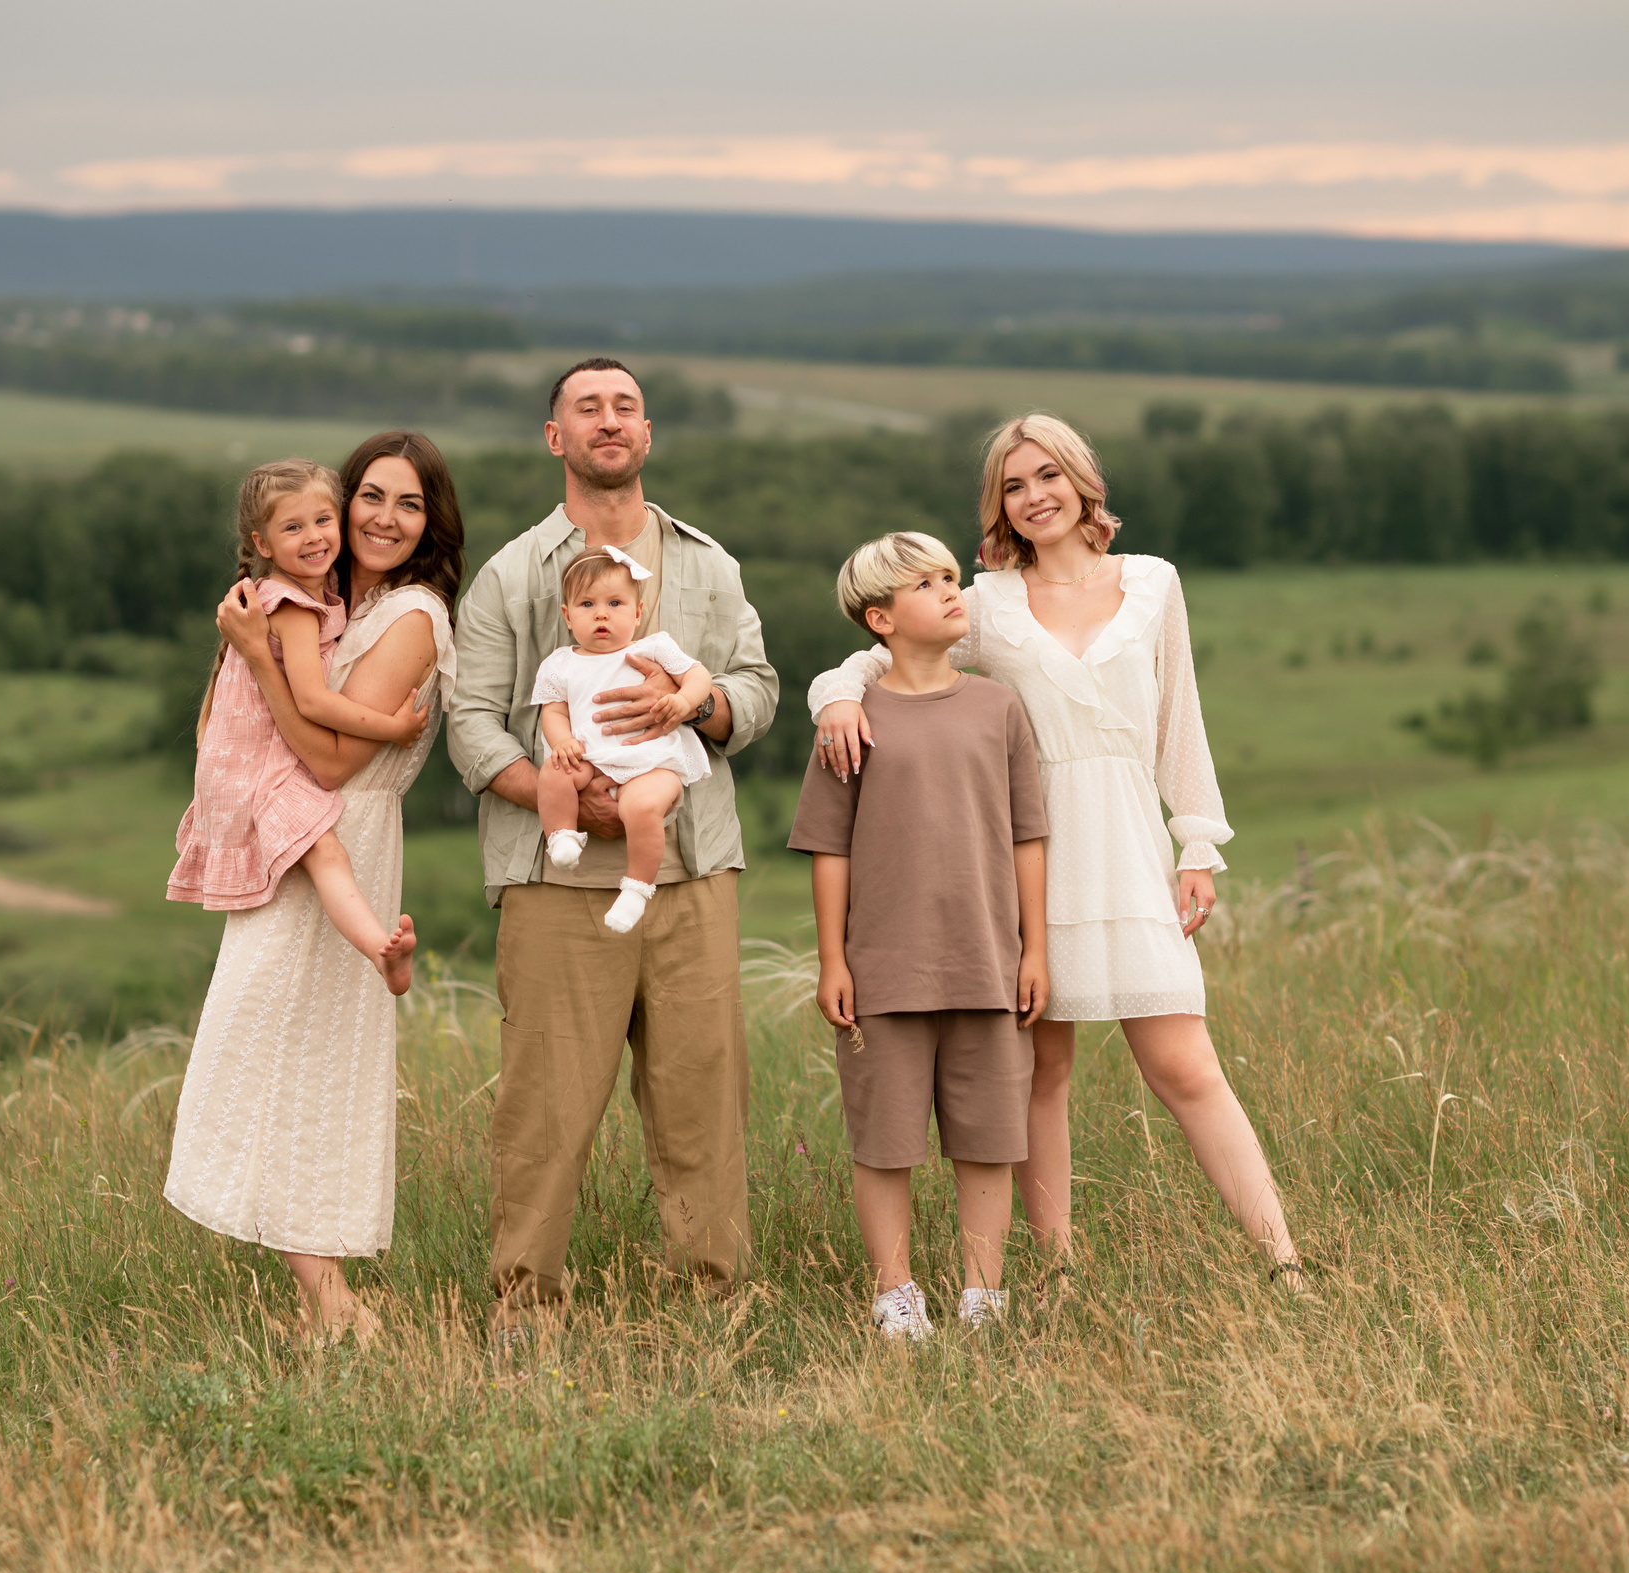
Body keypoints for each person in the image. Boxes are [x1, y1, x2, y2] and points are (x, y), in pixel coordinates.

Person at [808, 414, 1306, 1288]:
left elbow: (1179, 718)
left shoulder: (1152, 583)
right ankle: (1053, 1271)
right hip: (1024, 854)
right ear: (997, 503)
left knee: (1186, 1064)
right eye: (1012, 484)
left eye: (1047, 476)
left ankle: (1284, 1259)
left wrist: (1197, 842)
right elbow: (882, 654)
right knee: (1042, 1069)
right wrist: (835, 699)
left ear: (1083, 481)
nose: (1033, 496)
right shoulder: (989, 604)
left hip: (1129, 840)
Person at [448, 357, 779, 1327]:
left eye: (625, 407)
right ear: (555, 438)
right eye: (585, 408)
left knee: (700, 1094)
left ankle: (707, 1301)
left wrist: (702, 700)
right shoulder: (514, 574)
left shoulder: (709, 566)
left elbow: (756, 688)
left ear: (646, 433)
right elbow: (470, 722)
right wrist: (559, 797)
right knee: (546, 1104)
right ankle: (525, 1310)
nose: (608, 421)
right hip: (556, 881)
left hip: (692, 868)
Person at [167, 434, 461, 1340]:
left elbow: (332, 760)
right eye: (368, 496)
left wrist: (256, 656)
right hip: (290, 835)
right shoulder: (326, 601)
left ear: (431, 523)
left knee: (303, 1066)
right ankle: (325, 1302)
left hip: (340, 830)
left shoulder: (410, 614)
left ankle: (338, 1306)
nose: (380, 518)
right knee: (263, 1058)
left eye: (407, 504)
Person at [790, 532, 1049, 1339]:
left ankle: (984, 1298)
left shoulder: (997, 706)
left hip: (988, 961)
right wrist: (833, 960)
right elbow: (829, 847)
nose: (950, 591)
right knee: (886, 1140)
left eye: (949, 576)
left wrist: (1034, 948)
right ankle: (896, 1298)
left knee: (988, 1136)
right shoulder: (849, 718)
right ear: (879, 618)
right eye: (925, 584)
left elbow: (1027, 835)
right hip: (884, 968)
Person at [168, 460, 422, 995]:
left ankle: (379, 951)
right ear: (262, 543)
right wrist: (390, 727)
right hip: (261, 769)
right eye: (292, 528)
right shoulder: (293, 607)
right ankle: (381, 950)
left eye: (323, 520)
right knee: (327, 854)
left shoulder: (296, 593)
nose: (314, 538)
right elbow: (311, 700)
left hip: (244, 764)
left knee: (324, 856)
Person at [531, 547, 716, 932]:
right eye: (587, 604)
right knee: (554, 772)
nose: (601, 613)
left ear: (637, 613)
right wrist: (562, 740)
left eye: (615, 603)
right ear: (567, 616)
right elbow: (553, 711)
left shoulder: (652, 648)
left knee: (643, 807)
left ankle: (636, 888)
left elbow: (700, 677)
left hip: (651, 759)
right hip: (591, 755)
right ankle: (562, 835)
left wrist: (683, 701)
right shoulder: (561, 663)